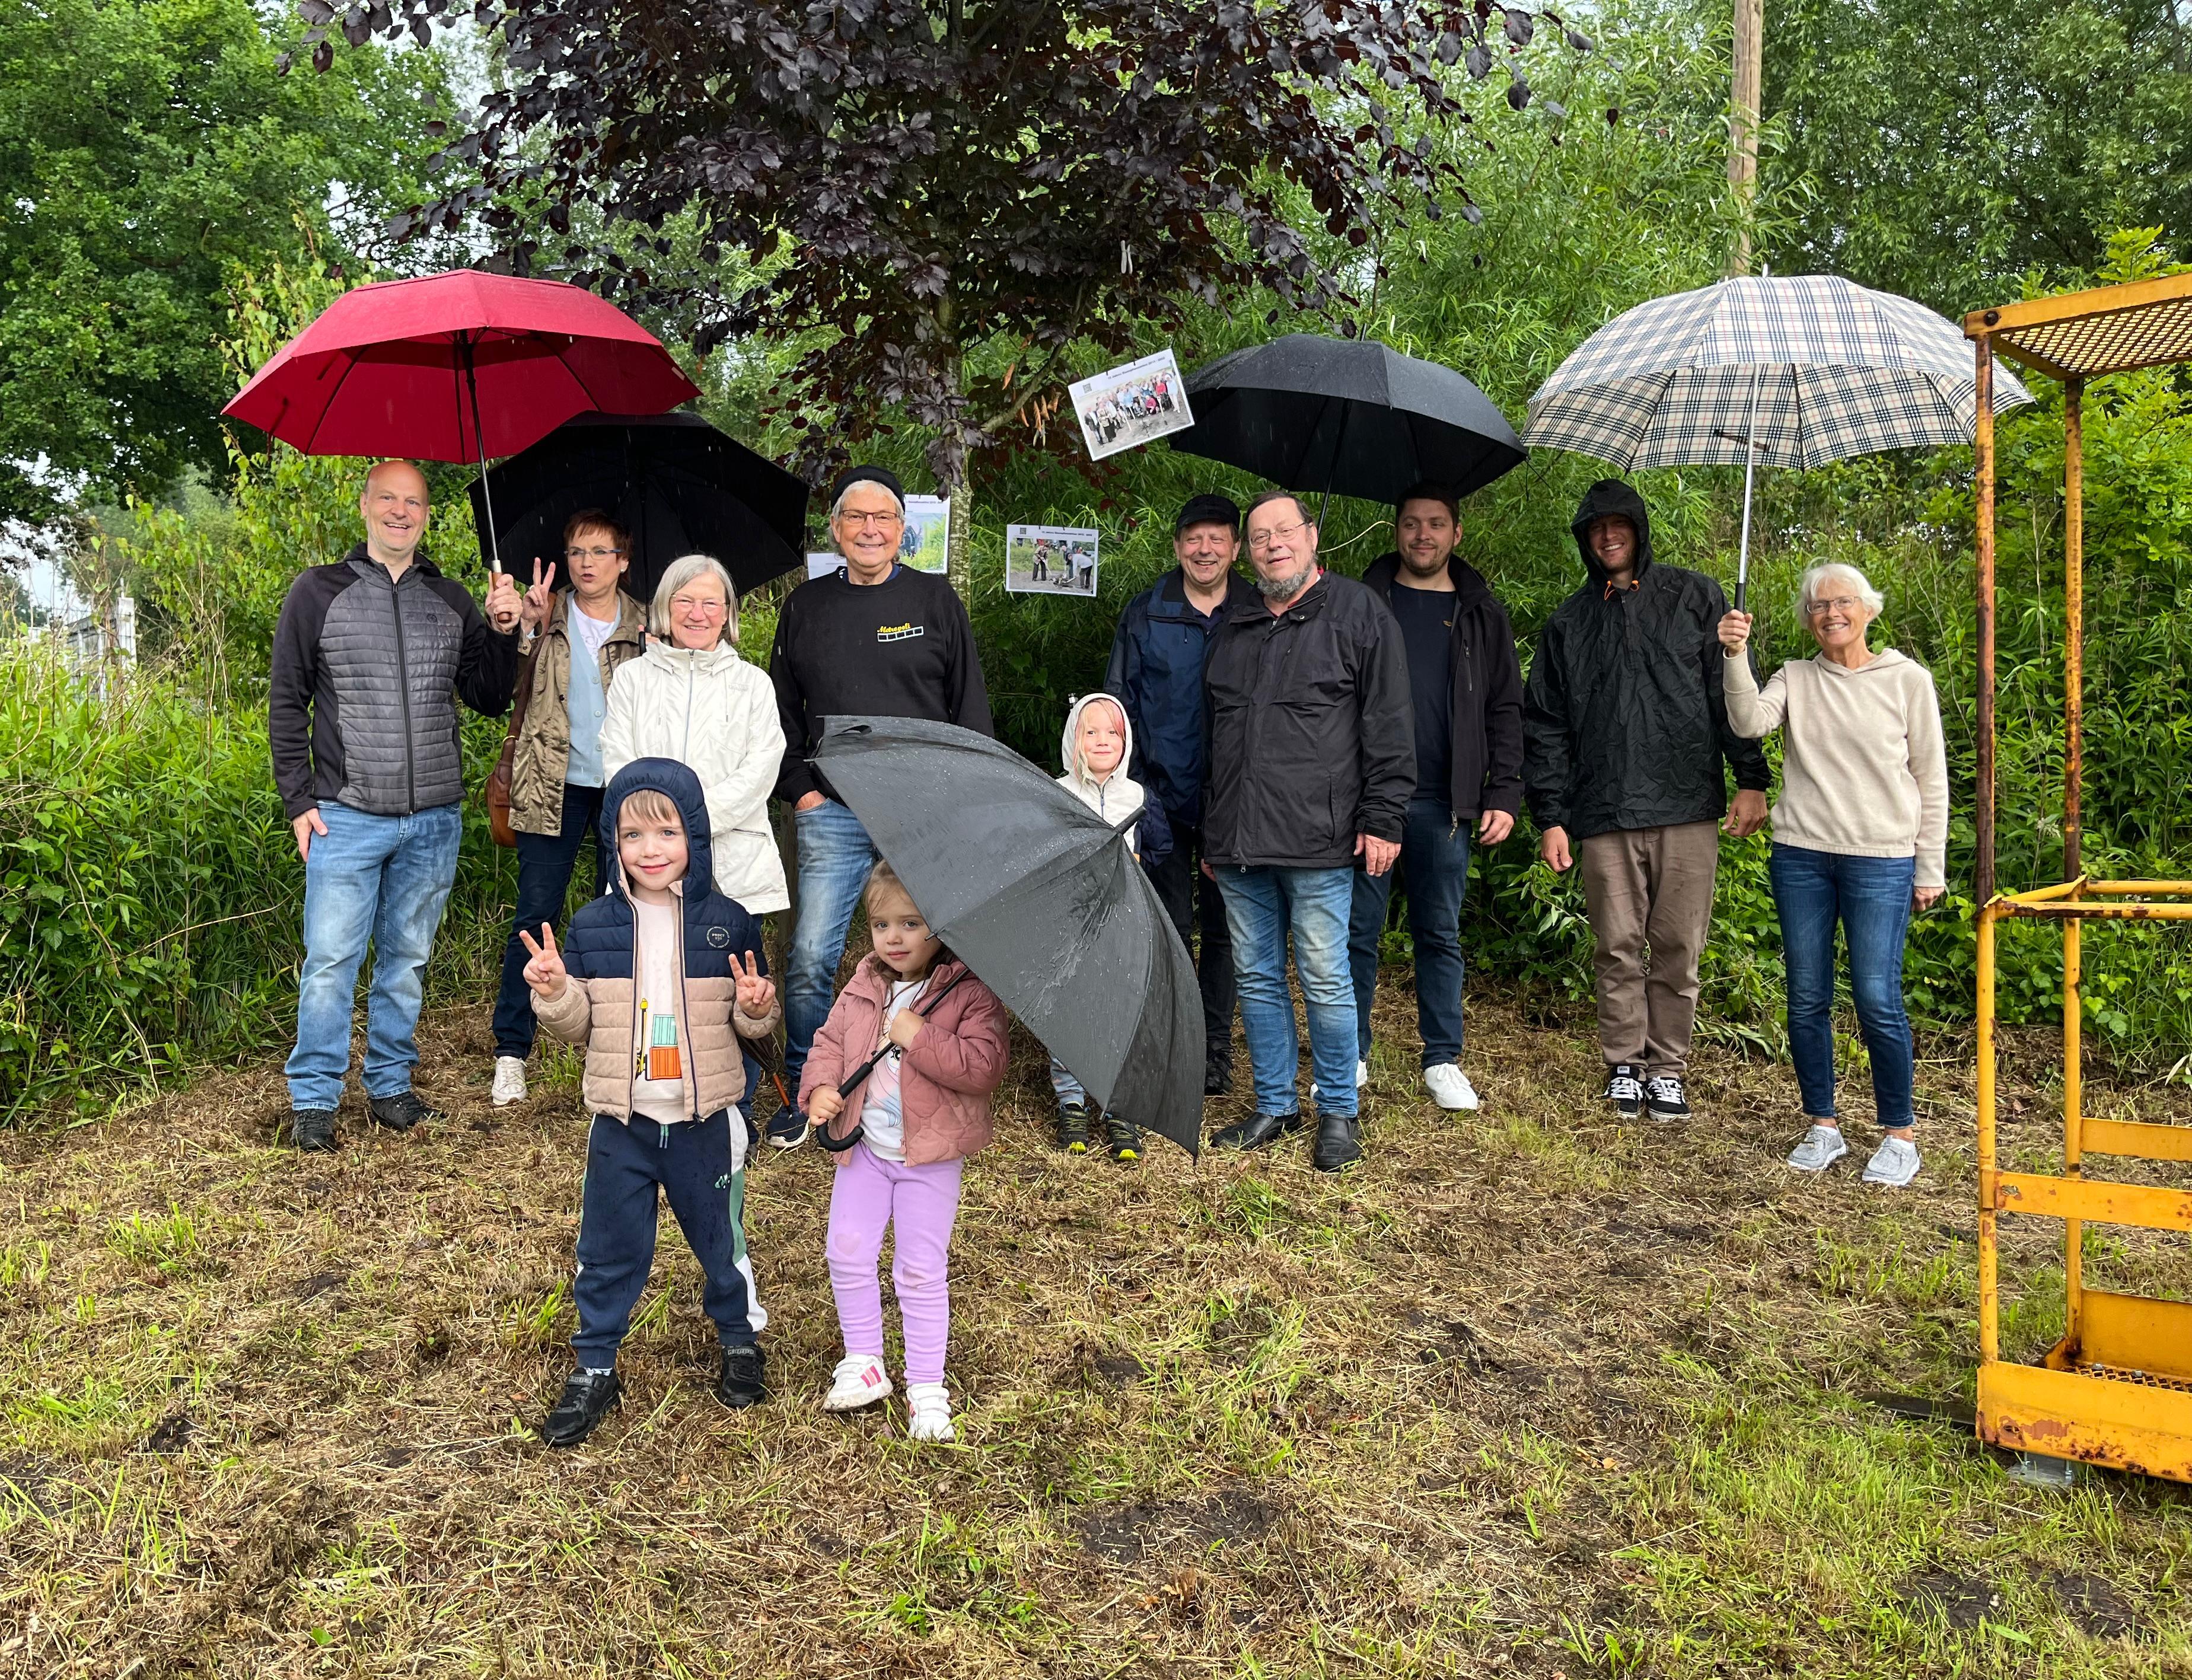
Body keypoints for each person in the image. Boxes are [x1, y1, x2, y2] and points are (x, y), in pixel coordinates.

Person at [520, 760, 781, 1446]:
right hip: (623, 1123)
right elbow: (581, 1026)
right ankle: (595, 1367)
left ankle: (740, 1342)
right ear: (613, 841)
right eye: (632, 834)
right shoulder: (593, 925)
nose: (651, 848)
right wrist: (554, 992)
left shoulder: (729, 923)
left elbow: (751, 1024)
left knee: (722, 1244)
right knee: (607, 1248)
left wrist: (758, 1007)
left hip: (706, 1123)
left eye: (667, 831)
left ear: (694, 834)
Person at [269, 460, 523, 1152]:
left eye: (413, 502)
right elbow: (287, 700)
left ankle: (389, 1087)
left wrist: (505, 631)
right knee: (331, 962)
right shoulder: (317, 592)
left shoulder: (452, 599)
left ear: (427, 515)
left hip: (434, 818)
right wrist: (298, 799)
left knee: (406, 961)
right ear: (365, 506)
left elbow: (488, 697)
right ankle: (315, 1101)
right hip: (346, 814)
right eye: (388, 498)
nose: (400, 511)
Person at [1522, 480, 1770, 1122]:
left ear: (1639, 529)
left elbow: (1730, 692)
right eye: (1597, 528)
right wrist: (1550, 816)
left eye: (1619, 524)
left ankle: (1668, 1069)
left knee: (1679, 945)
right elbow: (1546, 724)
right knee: (1617, 946)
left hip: (1687, 802)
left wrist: (1751, 777)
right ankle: (1625, 1065)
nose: (1609, 536)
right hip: (1602, 808)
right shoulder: (1569, 623)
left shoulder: (1696, 597)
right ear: (1585, 539)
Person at [770, 466, 993, 1150]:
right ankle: (810, 1089)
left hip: (921, 814)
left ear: (902, 529)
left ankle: (920, 1083)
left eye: (884, 518)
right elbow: (780, 713)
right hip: (833, 810)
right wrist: (802, 790)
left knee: (930, 951)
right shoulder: (806, 607)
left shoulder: (933, 599)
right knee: (812, 955)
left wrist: (961, 799)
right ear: (836, 530)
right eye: (856, 517)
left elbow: (969, 707)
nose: (870, 529)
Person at [1202, 491, 1414, 1171]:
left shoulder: (1358, 613)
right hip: (1238, 838)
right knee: (1257, 975)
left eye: (1284, 531)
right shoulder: (1236, 623)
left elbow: (1389, 724)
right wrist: (1212, 829)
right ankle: (1275, 1104)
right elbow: (1215, 734)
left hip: (1322, 837)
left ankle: (1339, 1113)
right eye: (1260, 536)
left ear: (1312, 536)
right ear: (1248, 551)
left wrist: (1384, 817)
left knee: (1325, 976)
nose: (1273, 545)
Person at [1719, 563, 1948, 1188]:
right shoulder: (1794, 677)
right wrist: (1735, 655)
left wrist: (1929, 866)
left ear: (1868, 609)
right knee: (1806, 997)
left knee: (1877, 996)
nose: (1830, 614)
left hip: (1883, 858)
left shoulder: (1907, 679)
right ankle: (1823, 1124)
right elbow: (1748, 723)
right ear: (1808, 620)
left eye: (1843, 602)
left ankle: (1899, 1134)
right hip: (1802, 855)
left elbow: (1931, 779)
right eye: (1818, 606)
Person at [802, 861, 1009, 1444]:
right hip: (866, 1150)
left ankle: (926, 1387)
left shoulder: (969, 992)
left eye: (911, 923)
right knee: (846, 1250)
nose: (893, 938)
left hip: (929, 1160)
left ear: (941, 925)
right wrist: (821, 1088)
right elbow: (829, 1042)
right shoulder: (864, 984)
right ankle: (864, 1359)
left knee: (919, 1271)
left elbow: (983, 1067)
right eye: (881, 924)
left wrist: (921, 1036)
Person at [1350, 483, 1525, 1111]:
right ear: (1395, 530)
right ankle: (1351, 1054)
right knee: (1356, 932)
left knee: (1439, 934)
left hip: (1444, 802)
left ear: (1456, 533)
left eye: (1435, 524)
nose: (1422, 535)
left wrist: (1504, 790)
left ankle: (1442, 1059)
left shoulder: (1481, 612)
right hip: (1367, 799)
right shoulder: (1363, 602)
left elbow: (1506, 707)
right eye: (1410, 523)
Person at [490, 511, 648, 1107]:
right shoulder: (547, 614)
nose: (587, 563)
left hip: (624, 789)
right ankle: (511, 1052)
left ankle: (613, 1048)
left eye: (600, 552)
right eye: (577, 551)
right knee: (536, 914)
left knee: (624, 915)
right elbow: (504, 688)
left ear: (623, 561)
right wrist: (524, 630)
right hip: (549, 785)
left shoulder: (645, 623)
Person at [1104, 493, 1257, 1095]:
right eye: (1194, 538)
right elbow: (1118, 708)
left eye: (1218, 538)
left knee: (1225, 932)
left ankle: (1214, 1050)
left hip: (1236, 801)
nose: (1205, 549)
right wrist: (1136, 796)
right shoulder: (1148, 612)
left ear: (1236, 548)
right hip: (1160, 799)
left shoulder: (1258, 611)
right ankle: (1173, 1046)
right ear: (1177, 546)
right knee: (1168, 929)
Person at [602, 554, 789, 917]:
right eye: (685, 601)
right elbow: (619, 763)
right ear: (665, 606)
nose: (697, 614)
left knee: (730, 952)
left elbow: (761, 769)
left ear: (727, 613)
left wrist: (691, 821)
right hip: (650, 861)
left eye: (710, 604)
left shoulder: (753, 684)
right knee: (649, 951)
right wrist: (663, 830)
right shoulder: (632, 679)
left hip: (734, 867)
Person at [1049, 691, 1172, 1161]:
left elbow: (1161, 846)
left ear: (1127, 741)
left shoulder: (1138, 797)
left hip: (1124, 920)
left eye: (1113, 732)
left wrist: (1138, 863)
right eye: (1091, 731)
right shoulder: (1056, 792)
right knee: (1071, 1007)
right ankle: (1072, 1101)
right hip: (1072, 921)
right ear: (1073, 739)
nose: (1103, 740)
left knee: (1121, 1008)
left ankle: (1118, 1103)